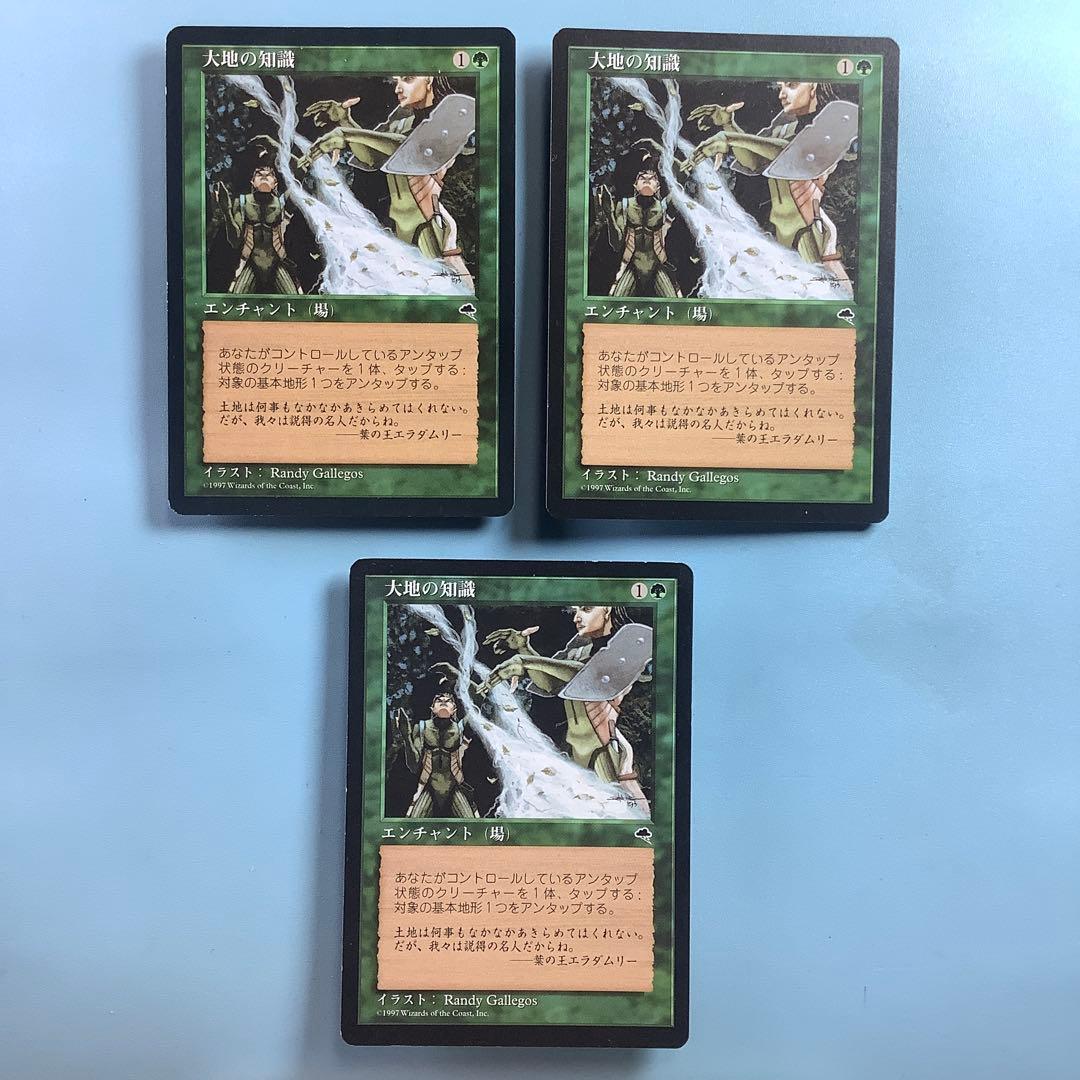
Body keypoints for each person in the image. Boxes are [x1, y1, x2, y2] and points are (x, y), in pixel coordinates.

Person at [298, 75, 475, 289]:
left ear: (429, 79)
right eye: (396, 81)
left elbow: (413, 150)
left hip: (427, 223)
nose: (398, 88)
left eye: (408, 79)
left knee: (451, 290)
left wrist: (348, 133)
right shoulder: (400, 120)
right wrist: (345, 121)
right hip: (398, 225)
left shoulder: (451, 115)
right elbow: (371, 158)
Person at [475, 605, 652, 814]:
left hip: (603, 747)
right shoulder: (578, 648)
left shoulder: (630, 643)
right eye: (575, 611)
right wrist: (524, 649)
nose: (577, 617)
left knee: (624, 813)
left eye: (586, 609)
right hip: (572, 748)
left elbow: (592, 678)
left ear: (607, 609)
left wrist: (527, 661)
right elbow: (550, 684)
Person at [684, 81, 856, 283]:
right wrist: (728, 125)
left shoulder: (834, 124)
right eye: (781, 87)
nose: (782, 94)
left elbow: (795, 154)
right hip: (777, 228)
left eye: (791, 85)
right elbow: (753, 162)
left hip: (807, 227)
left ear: (813, 86)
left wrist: (731, 138)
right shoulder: (784, 126)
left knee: (822, 289)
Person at [208, 165, 302, 294]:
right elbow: (235, 240)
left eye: (269, 175)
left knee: (294, 301)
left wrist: (308, 161)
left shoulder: (282, 203)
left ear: (275, 183)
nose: (264, 176)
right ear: (252, 182)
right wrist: (227, 211)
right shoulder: (242, 202)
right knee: (236, 302)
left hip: (277, 262)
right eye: (259, 174)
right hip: (251, 262)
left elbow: (297, 183)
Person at [596, 168, 681, 297]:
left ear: (657, 187)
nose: (647, 180)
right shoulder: (625, 206)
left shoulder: (663, 207)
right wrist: (609, 214)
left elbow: (679, 186)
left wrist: (689, 165)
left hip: (658, 265)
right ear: (635, 185)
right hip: (632, 266)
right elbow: (616, 244)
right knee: (616, 304)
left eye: (652, 179)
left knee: (673, 305)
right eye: (642, 178)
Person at [395, 692, 479, 819]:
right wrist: (406, 737)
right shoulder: (422, 728)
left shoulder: (460, 729)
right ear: (432, 708)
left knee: (471, 826)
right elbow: (414, 765)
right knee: (413, 826)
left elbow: (476, 706)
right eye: (439, 700)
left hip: (454, 787)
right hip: (429, 787)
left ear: (454, 709)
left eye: (448, 701)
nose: (443, 702)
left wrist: (486, 687)